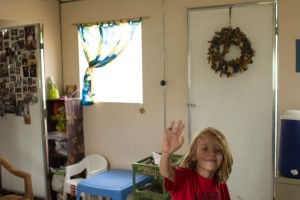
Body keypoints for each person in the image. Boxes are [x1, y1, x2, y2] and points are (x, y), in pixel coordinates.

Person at [160, 120, 233, 200]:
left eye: (218, 150)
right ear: (194, 155)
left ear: (224, 156)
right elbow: (166, 172)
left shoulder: (221, 184)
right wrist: (167, 153)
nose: (212, 153)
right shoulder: (185, 177)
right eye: (205, 148)